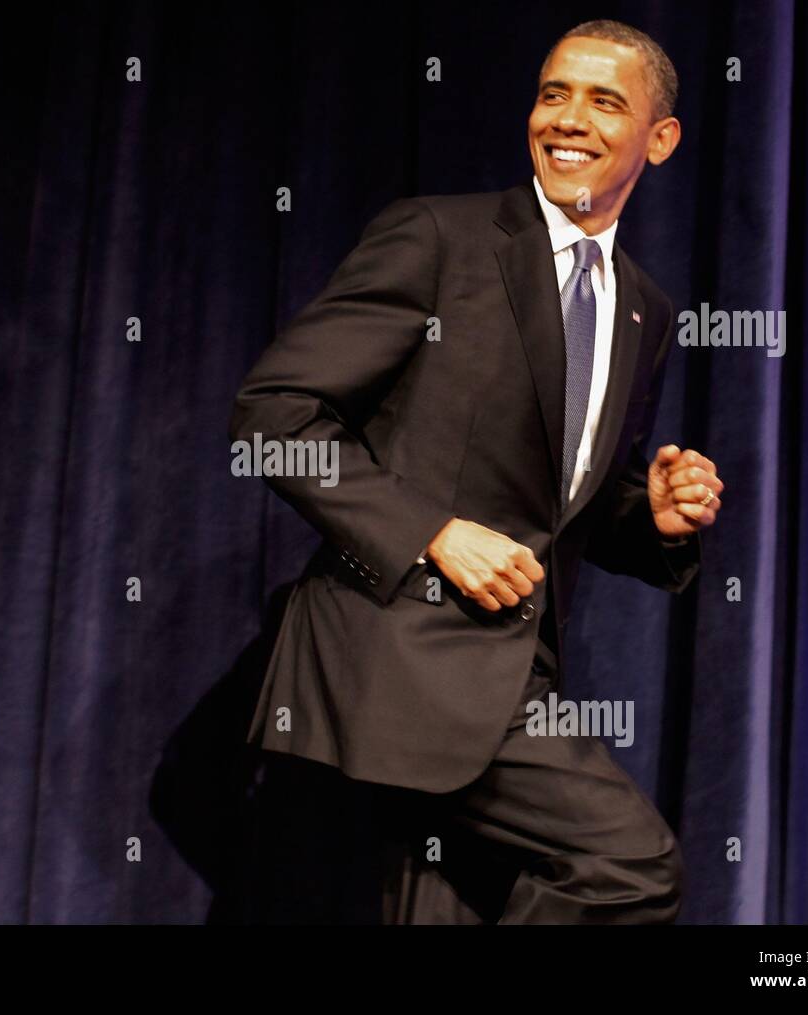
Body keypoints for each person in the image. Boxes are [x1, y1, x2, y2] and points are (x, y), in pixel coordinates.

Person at [229, 19, 724, 924]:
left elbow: (559, 505)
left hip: (508, 677)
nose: (567, 119)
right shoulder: (439, 239)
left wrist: (649, 517)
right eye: (552, 93)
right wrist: (428, 533)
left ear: (660, 139)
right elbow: (273, 417)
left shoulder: (645, 312)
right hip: (399, 654)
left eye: (604, 101)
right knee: (628, 865)